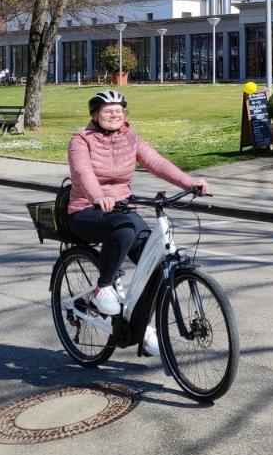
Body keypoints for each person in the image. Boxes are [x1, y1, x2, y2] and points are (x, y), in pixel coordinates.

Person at [66, 90, 210, 357]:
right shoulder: (81, 139)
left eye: (119, 110)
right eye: (108, 110)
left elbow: (156, 162)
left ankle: (140, 326)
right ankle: (102, 288)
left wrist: (190, 182)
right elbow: (81, 171)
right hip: (86, 210)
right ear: (95, 114)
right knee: (124, 228)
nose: (114, 115)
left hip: (122, 208)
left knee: (154, 259)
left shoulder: (130, 137)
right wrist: (98, 196)